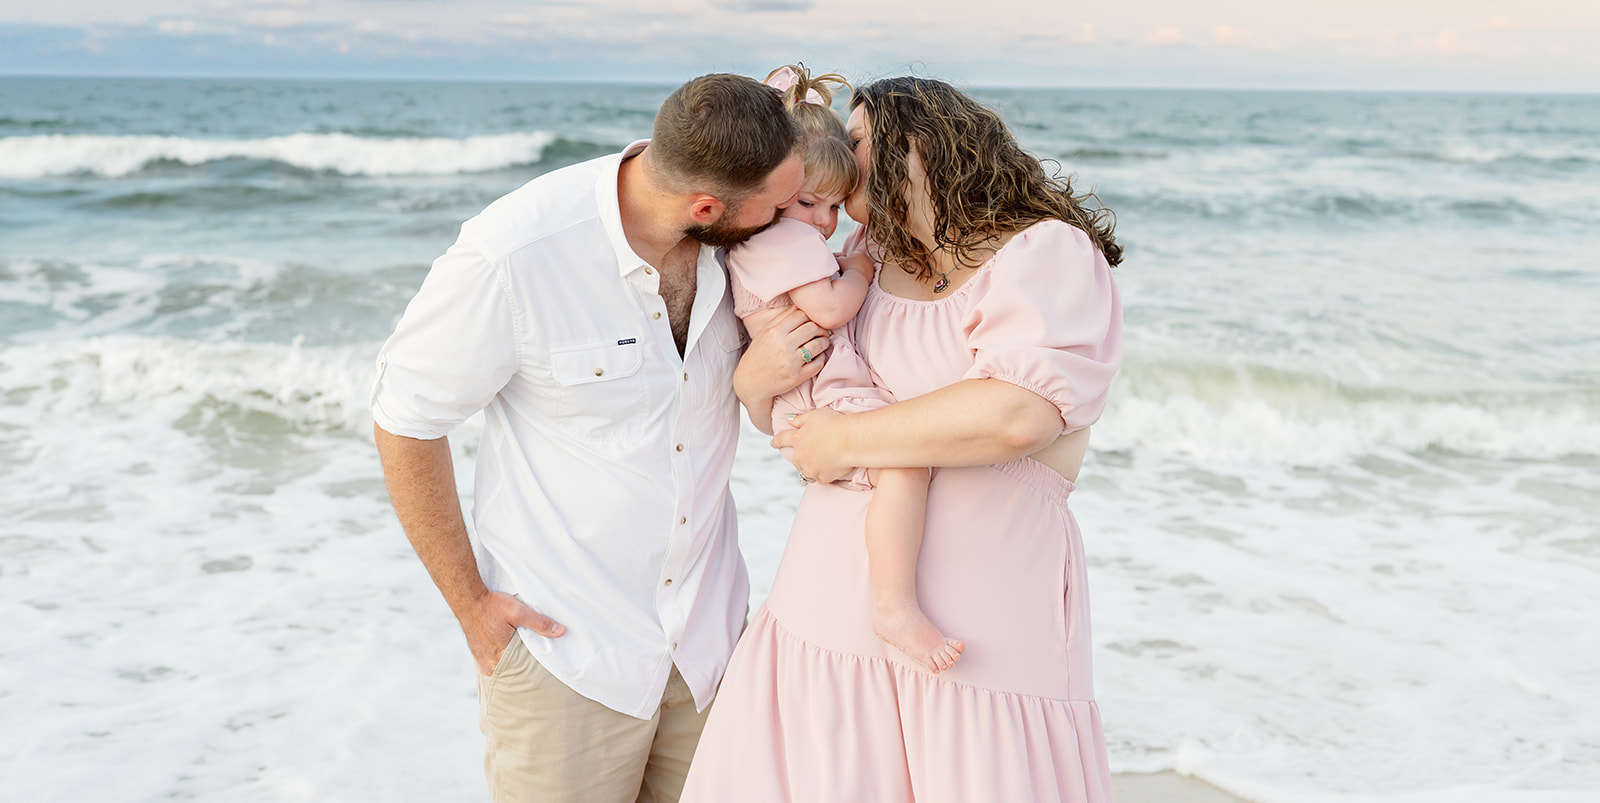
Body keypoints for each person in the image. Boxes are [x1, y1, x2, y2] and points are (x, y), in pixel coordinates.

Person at [370, 73, 831, 803]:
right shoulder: (515, 253)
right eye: (781, 205)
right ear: (707, 208)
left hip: (711, 650)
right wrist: (472, 607)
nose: (800, 220)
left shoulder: (743, 246)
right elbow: (405, 419)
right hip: (567, 653)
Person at [682, 76, 1125, 803]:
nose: (841, 161)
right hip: (823, 608)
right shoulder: (867, 250)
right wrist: (753, 382)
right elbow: (801, 415)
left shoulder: (1043, 251)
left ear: (921, 141)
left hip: (979, 619)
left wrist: (851, 438)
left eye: (855, 141)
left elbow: (1020, 413)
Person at [727, 63, 963, 674]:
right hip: (818, 393)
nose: (827, 222)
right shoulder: (781, 241)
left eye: (835, 205)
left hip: (810, 391)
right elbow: (830, 309)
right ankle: (894, 605)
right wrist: (858, 269)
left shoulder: (779, 239)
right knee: (904, 466)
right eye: (808, 203)